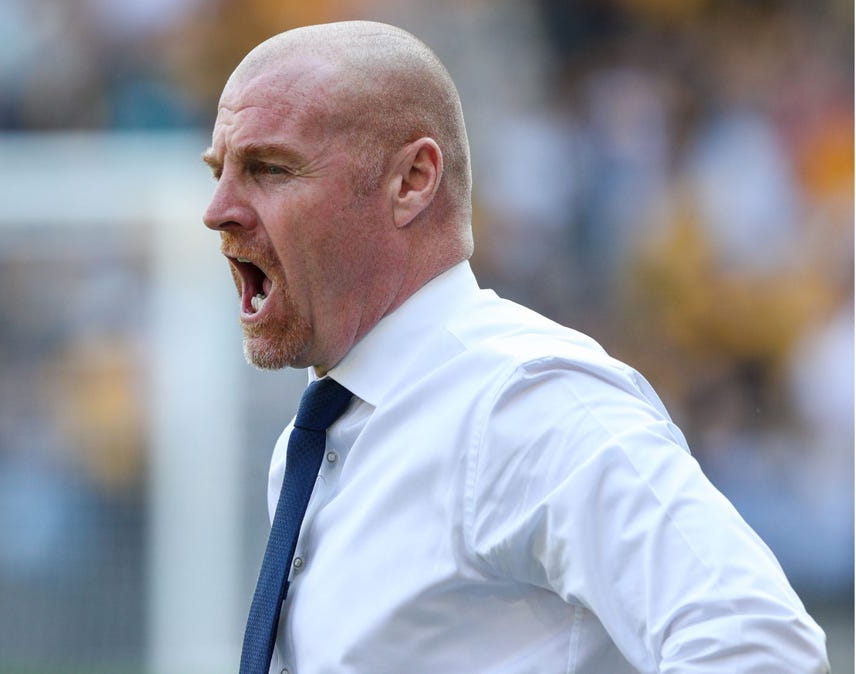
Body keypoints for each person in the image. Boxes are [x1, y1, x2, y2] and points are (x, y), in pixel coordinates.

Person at [200, 20, 830, 673]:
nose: (218, 209)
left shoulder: (524, 399)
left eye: (270, 168)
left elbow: (760, 646)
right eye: (220, 172)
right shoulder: (320, 438)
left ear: (413, 180)